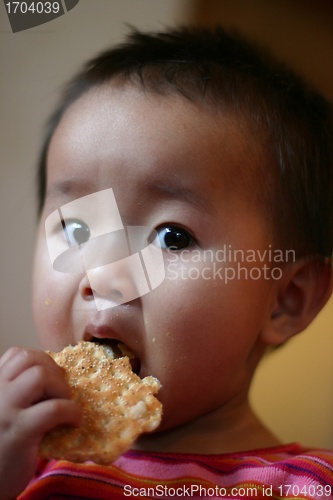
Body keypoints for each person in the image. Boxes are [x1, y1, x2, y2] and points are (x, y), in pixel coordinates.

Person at [0, 26, 332, 499]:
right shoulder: (19, 458)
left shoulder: (306, 488)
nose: (105, 276)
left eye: (172, 238)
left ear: (285, 300)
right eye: (77, 229)